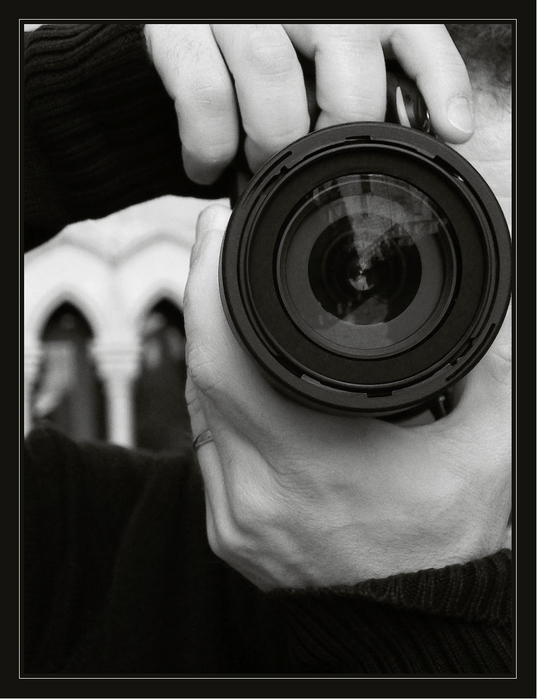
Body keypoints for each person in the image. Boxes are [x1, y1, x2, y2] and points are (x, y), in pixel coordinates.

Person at [23, 22, 512, 675]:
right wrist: (73, 114)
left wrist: (416, 614)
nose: (486, 333)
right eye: (429, 241)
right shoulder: (83, 552)